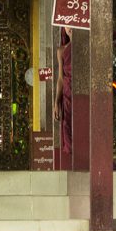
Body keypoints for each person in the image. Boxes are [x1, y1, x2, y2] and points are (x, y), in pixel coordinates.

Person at [53, 27, 72, 155]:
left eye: (71, 24)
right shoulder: (61, 50)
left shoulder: (86, 47)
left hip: (83, 91)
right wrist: (56, 102)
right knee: (68, 126)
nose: (69, 28)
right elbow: (60, 78)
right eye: (66, 25)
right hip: (67, 93)